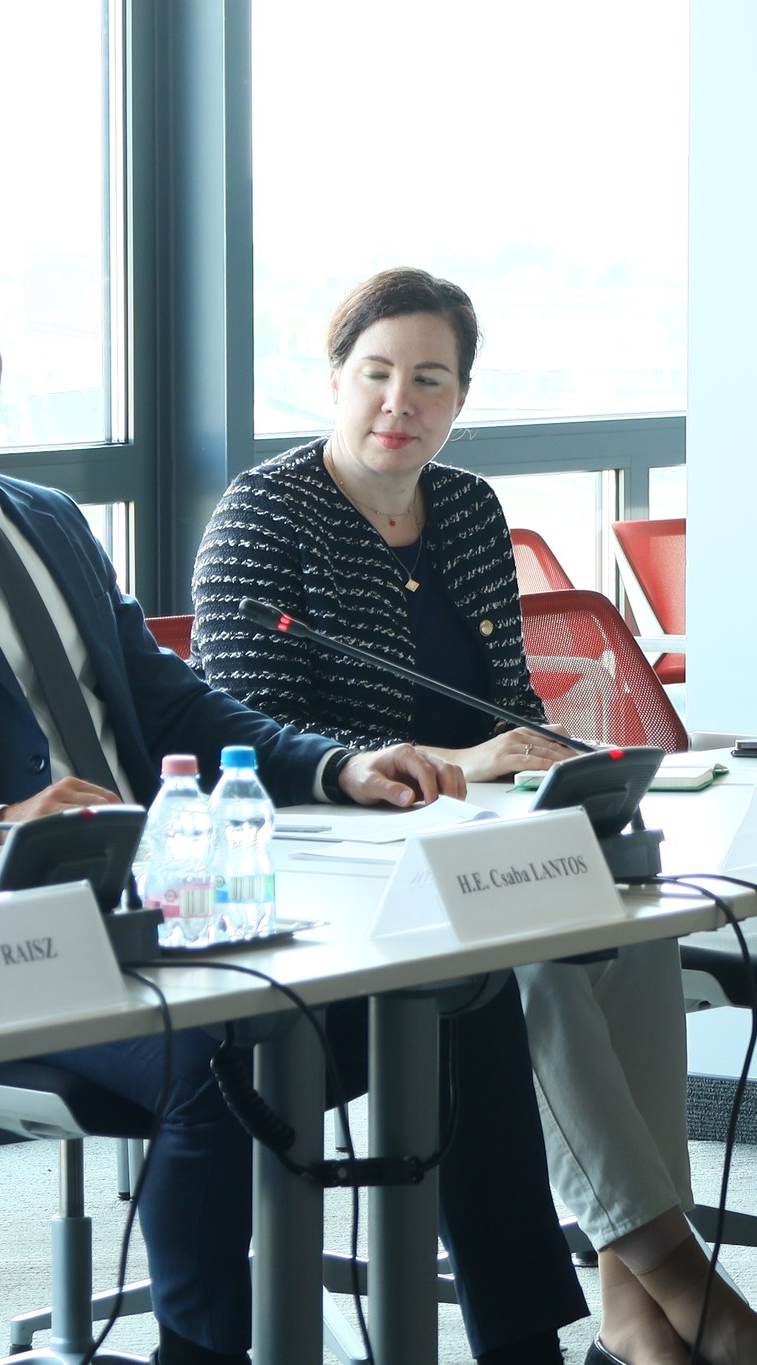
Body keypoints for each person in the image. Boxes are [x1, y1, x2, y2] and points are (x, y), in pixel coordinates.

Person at [0, 229, 587, 1365]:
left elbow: (174, 705)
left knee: (456, 986)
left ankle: (522, 1346)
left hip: (162, 906)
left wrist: (335, 766)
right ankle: (204, 1350)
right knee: (219, 1051)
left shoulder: (45, 521)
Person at [192, 267, 753, 1365]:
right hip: (335, 869)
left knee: (631, 920)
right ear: (334, 378)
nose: (397, 402)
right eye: (376, 373)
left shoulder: (465, 508)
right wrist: (457, 761)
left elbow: (506, 705)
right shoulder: (263, 516)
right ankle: (682, 1282)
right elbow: (248, 742)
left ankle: (634, 1318)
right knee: (534, 953)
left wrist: (545, 755)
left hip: (477, 838)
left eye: (428, 380)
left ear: (460, 397)